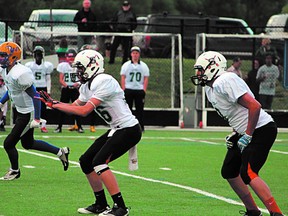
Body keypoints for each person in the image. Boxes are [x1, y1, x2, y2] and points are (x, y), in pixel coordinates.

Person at [37, 49, 142, 216]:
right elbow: (75, 106)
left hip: (129, 129)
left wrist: (55, 105)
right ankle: (100, 204)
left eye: (80, 68)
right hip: (116, 129)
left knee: (99, 161)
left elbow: (84, 110)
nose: (78, 72)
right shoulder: (87, 86)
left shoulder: (104, 80)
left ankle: (121, 207)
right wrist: (54, 103)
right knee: (86, 161)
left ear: (93, 66)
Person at [190, 51, 284, 216]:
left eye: (201, 69)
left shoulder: (225, 80)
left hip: (261, 129)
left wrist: (247, 135)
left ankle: (277, 213)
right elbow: (236, 113)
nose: (198, 74)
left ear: (213, 67)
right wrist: (236, 133)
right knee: (229, 170)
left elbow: (254, 106)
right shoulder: (210, 89)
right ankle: (253, 211)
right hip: (247, 130)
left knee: (248, 172)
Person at [0, 42, 70, 180]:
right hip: (21, 110)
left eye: (3, 56)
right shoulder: (5, 70)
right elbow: (11, 89)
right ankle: (60, 152)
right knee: (28, 143)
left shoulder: (20, 73)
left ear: (13, 57)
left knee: (8, 144)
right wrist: (1, 102)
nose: (1, 58)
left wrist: (37, 118)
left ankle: (15, 171)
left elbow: (36, 96)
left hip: (28, 113)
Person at [54, 48, 84, 133]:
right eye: (69, 57)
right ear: (66, 57)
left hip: (75, 89)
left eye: (72, 57)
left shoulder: (79, 66)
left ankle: (79, 126)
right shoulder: (63, 66)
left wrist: (76, 84)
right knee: (62, 108)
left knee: (77, 108)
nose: (71, 59)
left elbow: (81, 78)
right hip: (66, 89)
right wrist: (67, 85)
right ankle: (59, 127)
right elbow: (61, 79)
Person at [25, 46, 54, 133]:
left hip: (43, 87)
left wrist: (48, 91)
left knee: (43, 108)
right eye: (37, 54)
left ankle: (43, 126)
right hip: (33, 87)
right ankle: (30, 124)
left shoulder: (47, 65)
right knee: (31, 106)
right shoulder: (29, 65)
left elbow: (48, 79)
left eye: (39, 54)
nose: (38, 56)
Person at [120, 46, 149, 132]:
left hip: (139, 90)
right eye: (133, 53)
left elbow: (146, 78)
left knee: (139, 110)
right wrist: (123, 89)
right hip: (129, 89)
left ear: (139, 54)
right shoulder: (126, 65)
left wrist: (144, 89)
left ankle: (140, 126)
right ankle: (127, 126)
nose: (135, 55)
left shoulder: (143, 66)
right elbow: (123, 77)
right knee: (127, 109)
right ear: (131, 54)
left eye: (137, 53)